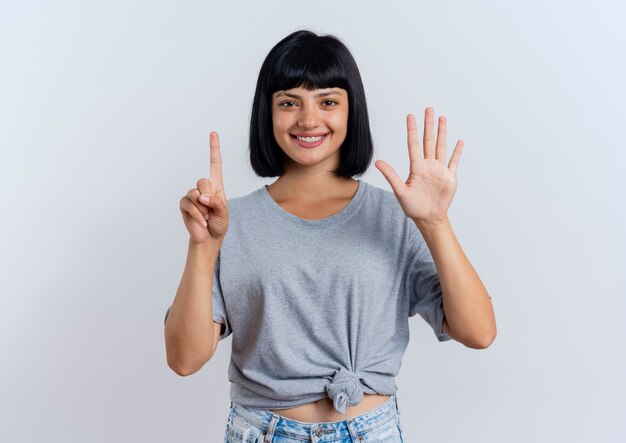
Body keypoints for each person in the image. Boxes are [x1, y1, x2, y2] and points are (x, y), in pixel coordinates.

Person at [164, 29, 496, 443]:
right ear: (267, 112)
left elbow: (478, 332)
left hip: (371, 431)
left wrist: (434, 223)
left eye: (328, 101)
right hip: (262, 431)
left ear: (350, 111)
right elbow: (184, 359)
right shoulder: (230, 222)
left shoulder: (393, 216)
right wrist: (202, 248)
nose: (308, 119)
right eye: (289, 102)